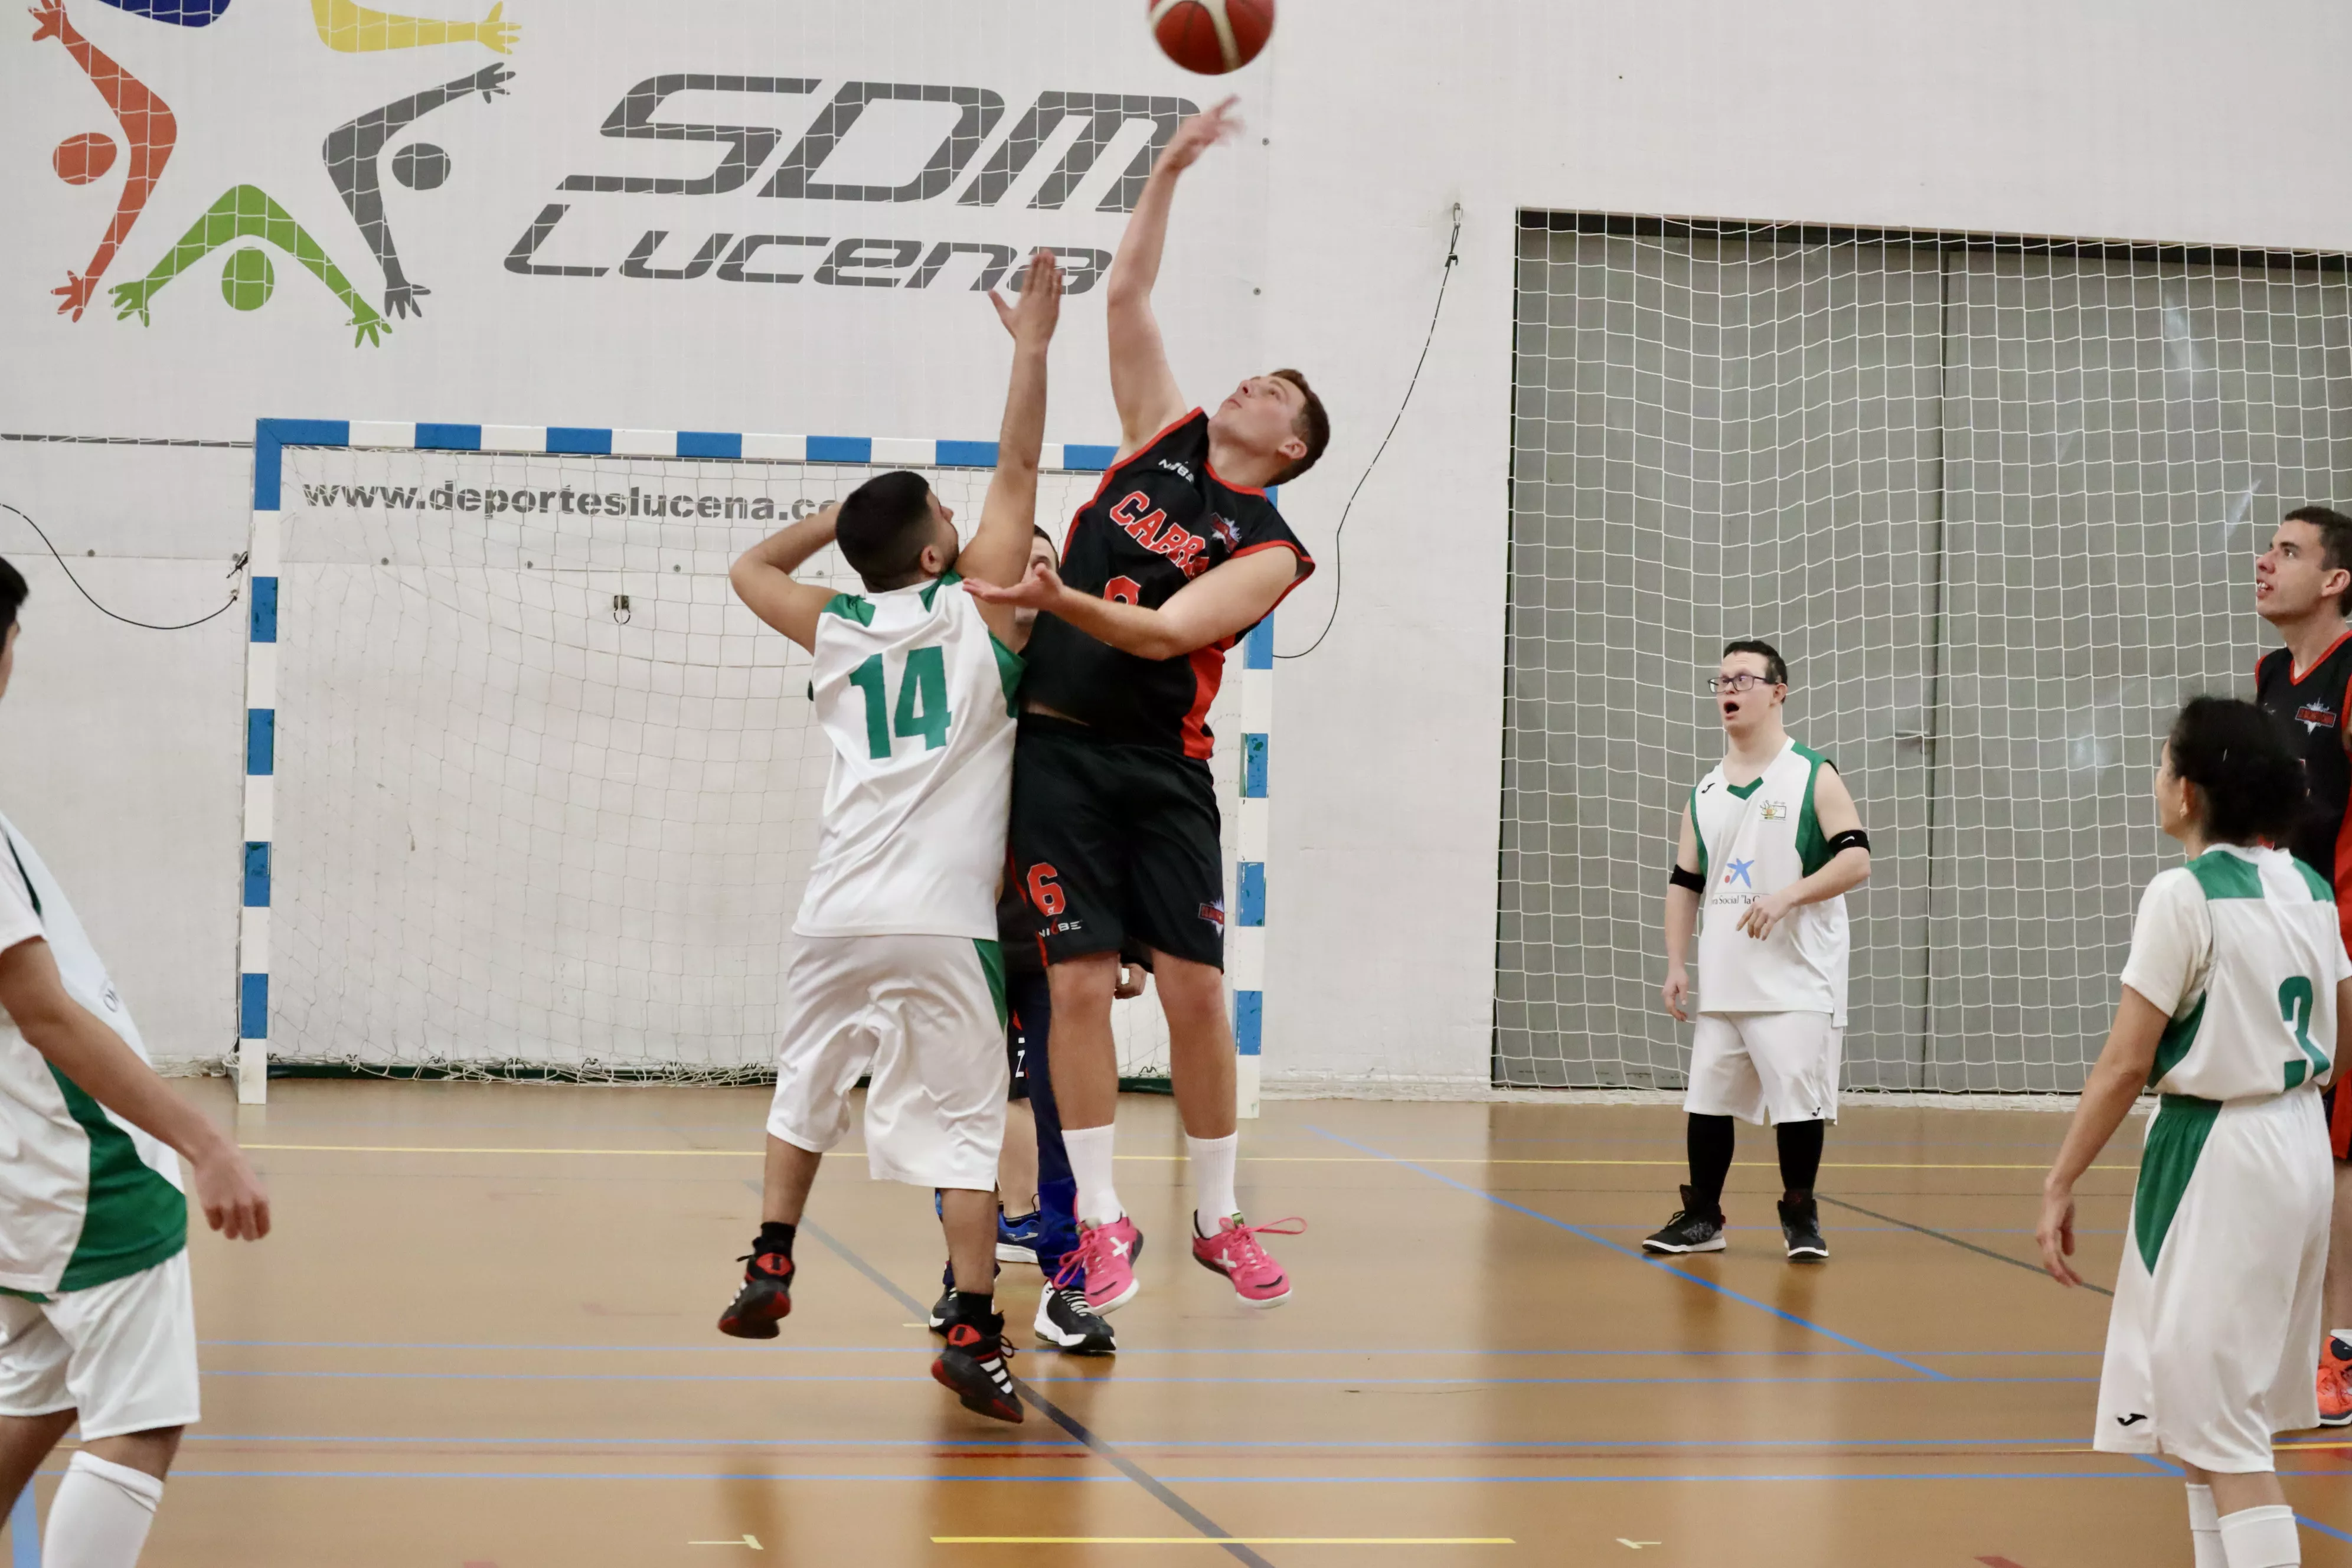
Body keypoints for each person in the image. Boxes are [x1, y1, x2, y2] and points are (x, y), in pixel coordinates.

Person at [965, 96, 1327, 1317]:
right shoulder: (1159, 441)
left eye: (1276, 388)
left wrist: (1059, 601)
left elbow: (1172, 631)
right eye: (1257, 372)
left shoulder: (1271, 544)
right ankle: (1105, 1217)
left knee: (1194, 990)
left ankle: (1219, 1215)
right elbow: (1126, 299)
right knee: (1072, 986)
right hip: (1058, 757)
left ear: (1291, 447)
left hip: (1160, 765)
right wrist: (1166, 170)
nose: (1253, 382)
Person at [713, 252, 1064, 1424]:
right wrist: (1029, 348)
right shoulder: (981, 610)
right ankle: (972, 1326)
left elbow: (748, 565)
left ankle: (771, 1255)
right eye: (948, 522)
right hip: (940, 919)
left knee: (802, 1085)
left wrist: (847, 510)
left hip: (833, 910)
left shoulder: (836, 619)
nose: (968, 523)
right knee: (966, 1133)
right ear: (934, 555)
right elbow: (1019, 462)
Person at [0, 556, 274, 1568]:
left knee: (35, 1391)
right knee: (141, 1421)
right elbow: (46, 1015)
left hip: (22, 1171)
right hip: (85, 1175)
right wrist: (205, 1143)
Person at [2039, 696, 2342, 1568]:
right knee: (2204, 1422)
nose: (2156, 777)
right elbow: (2345, 1032)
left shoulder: (2182, 894)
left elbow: (2126, 1063)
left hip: (2222, 1154)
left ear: (2191, 791)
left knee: (2228, 1437)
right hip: (2299, 1143)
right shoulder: (2310, 887)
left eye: (2163, 762)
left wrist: (2060, 1179)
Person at [1645, 639, 1871, 1262]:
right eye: (1720, 680)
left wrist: (1788, 897)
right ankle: (1702, 1218)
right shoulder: (1707, 791)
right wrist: (1675, 963)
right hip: (1726, 977)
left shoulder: (1811, 773)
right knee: (1708, 1100)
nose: (1728, 689)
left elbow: (1857, 859)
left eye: (1743, 678)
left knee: (1798, 1101)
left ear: (1778, 691)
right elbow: (1684, 882)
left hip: (1798, 976)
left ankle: (1801, 1218)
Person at [2250, 503, 2352, 1430]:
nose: (2264, 560)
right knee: (2291, 1135)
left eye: (2287, 551)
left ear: (2335, 580)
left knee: (2339, 1152)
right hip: (2280, 941)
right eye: (2268, 547)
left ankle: (2341, 1353)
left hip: (2345, 947)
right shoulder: (2272, 674)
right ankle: (2286, 1343)